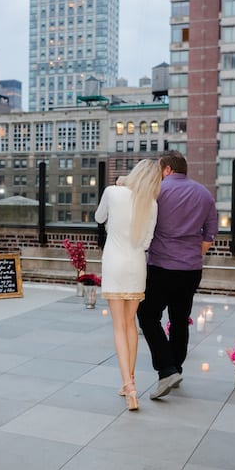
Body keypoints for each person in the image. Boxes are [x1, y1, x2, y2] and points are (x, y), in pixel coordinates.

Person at [137, 150, 218, 399]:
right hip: (191, 269)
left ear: (167, 169)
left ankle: (167, 369)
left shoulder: (158, 192)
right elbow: (209, 237)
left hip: (161, 266)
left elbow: (144, 226)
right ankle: (176, 368)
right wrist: (190, 252)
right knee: (180, 320)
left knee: (148, 315)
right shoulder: (205, 194)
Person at [95, 159, 161, 411]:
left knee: (118, 326)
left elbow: (99, 217)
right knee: (131, 323)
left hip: (114, 263)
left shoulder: (113, 192)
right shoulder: (151, 204)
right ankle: (129, 382)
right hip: (136, 266)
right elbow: (146, 242)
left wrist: (117, 186)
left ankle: (129, 386)